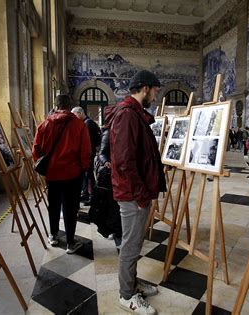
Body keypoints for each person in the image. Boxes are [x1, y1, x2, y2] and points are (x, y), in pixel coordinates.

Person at [108, 70, 166, 314]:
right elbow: (124, 162)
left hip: (135, 191)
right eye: (154, 91)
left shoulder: (134, 114)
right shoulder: (128, 116)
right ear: (145, 89)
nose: (155, 95)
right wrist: (142, 193)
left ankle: (131, 283)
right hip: (132, 193)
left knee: (134, 243)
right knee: (131, 245)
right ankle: (126, 295)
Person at [32, 94, 91, 255]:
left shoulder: (44, 125)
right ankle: (71, 243)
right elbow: (85, 150)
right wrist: (84, 168)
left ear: (56, 105)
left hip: (52, 174)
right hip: (72, 174)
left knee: (54, 205)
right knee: (70, 208)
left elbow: (35, 150)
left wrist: (45, 167)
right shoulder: (79, 125)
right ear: (69, 105)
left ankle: (53, 235)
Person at [88, 125, 122, 240]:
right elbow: (102, 153)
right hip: (111, 173)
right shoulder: (109, 132)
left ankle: (116, 227)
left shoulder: (126, 130)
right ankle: (109, 228)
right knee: (110, 202)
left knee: (117, 203)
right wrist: (107, 162)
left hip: (123, 173)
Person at [71, 106, 101, 206]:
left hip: (88, 153)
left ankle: (91, 196)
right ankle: (86, 194)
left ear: (79, 113)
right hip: (89, 152)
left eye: (74, 114)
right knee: (86, 175)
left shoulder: (88, 124)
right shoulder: (87, 123)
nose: (74, 117)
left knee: (89, 176)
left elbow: (87, 141)